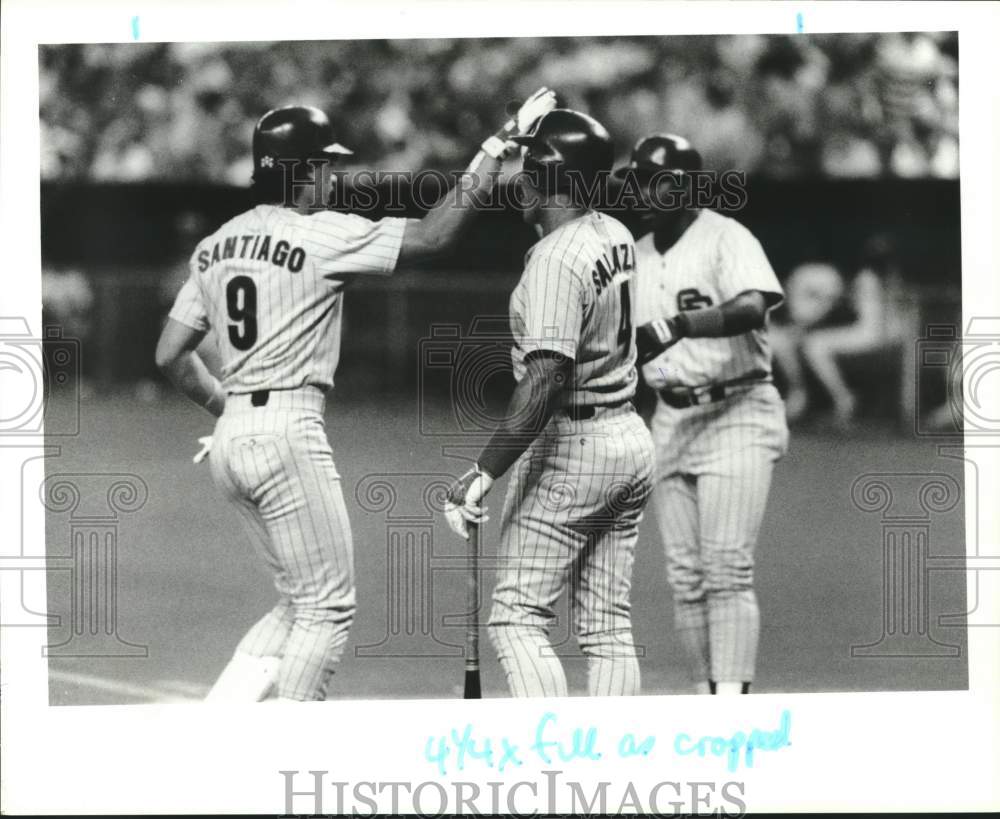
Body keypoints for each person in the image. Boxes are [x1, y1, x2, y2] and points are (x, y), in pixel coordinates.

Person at [155, 91, 557, 702]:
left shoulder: (215, 243)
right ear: (300, 171)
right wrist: (492, 149)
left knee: (297, 601)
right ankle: (290, 749)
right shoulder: (322, 236)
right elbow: (434, 233)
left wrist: (228, 409)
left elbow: (170, 355)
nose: (331, 175)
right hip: (289, 430)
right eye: (323, 165)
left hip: (235, 432)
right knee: (328, 608)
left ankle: (219, 727)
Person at [444, 109, 655, 697]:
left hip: (575, 447)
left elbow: (544, 379)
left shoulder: (556, 260)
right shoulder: (613, 232)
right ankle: (611, 767)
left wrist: (484, 472)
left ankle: (552, 756)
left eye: (527, 169)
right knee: (608, 626)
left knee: (516, 618)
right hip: (629, 438)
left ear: (551, 179)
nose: (517, 181)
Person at [617, 134, 788, 695]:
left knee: (727, 567)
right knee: (685, 576)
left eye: (657, 181)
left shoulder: (725, 237)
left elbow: (752, 305)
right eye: (638, 180)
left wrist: (681, 325)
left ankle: (732, 701)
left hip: (738, 409)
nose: (643, 191)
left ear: (686, 187)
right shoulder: (635, 255)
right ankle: (704, 697)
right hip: (670, 418)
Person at [770, 236, 908, 427]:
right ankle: (819, 398)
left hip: (873, 333)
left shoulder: (867, 277)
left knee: (815, 345)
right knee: (808, 342)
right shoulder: (891, 276)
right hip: (890, 333)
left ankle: (843, 400)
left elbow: (854, 313)